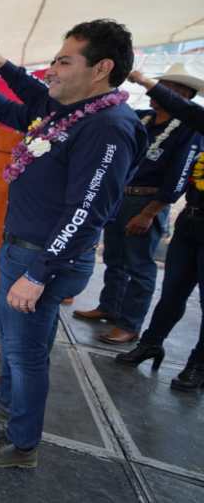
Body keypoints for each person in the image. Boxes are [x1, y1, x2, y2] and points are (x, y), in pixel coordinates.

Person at [0, 20, 145, 468]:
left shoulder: (107, 127)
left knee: (26, 354)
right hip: (21, 249)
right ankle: (6, 402)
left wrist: (38, 273)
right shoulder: (68, 110)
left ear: (101, 68)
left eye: (63, 61)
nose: (51, 71)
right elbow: (22, 102)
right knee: (11, 339)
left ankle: (21, 445)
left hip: (43, 260)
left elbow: (88, 210)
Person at [73, 64, 202, 345]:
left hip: (148, 200)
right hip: (120, 195)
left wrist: (150, 212)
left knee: (139, 265)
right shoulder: (142, 117)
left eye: (166, 89)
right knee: (114, 257)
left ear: (182, 96)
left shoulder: (189, 128)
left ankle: (129, 324)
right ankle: (109, 307)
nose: (156, 92)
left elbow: (180, 174)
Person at [116, 67, 204, 389]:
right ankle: (151, 343)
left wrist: (145, 81)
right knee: (173, 292)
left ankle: (198, 365)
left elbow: (184, 109)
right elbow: (187, 111)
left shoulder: (189, 122)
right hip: (191, 221)